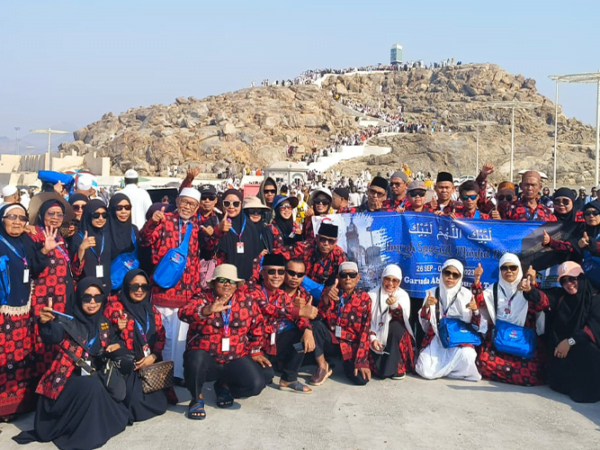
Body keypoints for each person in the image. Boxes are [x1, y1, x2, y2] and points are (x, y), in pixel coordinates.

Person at [14, 278, 130, 450]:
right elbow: (53, 335)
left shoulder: (103, 322)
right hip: (67, 378)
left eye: (97, 297)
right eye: (87, 297)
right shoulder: (67, 321)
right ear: (79, 297)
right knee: (91, 385)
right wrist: (44, 323)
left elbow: (111, 341)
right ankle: (86, 435)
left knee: (109, 379)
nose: (92, 302)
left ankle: (100, 426)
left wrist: (117, 341)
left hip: (94, 372)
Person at [178, 264, 271, 420]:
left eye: (231, 281)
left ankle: (224, 386)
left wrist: (255, 351)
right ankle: (197, 398)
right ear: (214, 283)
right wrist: (207, 310)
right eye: (222, 280)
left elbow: (257, 326)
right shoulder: (202, 297)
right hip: (207, 357)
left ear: (237, 285)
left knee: (256, 383)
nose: (227, 284)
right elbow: (183, 313)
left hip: (234, 356)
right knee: (194, 360)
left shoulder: (247, 301)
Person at [139, 187, 201, 382]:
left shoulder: (196, 226)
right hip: (163, 290)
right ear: (178, 202)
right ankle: (159, 376)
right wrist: (151, 223)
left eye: (192, 204)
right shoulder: (164, 220)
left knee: (181, 338)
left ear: (197, 207)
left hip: (186, 293)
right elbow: (144, 240)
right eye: (184, 202)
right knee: (163, 336)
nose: (187, 207)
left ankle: (176, 374)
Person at [0, 203, 51, 419]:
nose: (17, 222)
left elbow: (34, 268)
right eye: (12, 217)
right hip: (3, 312)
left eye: (22, 218)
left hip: (22, 312)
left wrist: (44, 251)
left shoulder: (25, 242)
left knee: (18, 358)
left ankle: (15, 406)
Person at [471, 255, 549, 385]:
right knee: (482, 362)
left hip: (522, 340)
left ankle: (504, 375)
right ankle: (513, 377)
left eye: (513, 267)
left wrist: (532, 287)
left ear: (519, 269)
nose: (509, 271)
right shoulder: (494, 289)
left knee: (534, 372)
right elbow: (479, 302)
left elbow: (543, 304)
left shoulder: (527, 287)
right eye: (505, 268)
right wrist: (477, 280)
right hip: (500, 339)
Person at [104, 269, 170, 421]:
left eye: (144, 287)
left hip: (149, 364)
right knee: (134, 404)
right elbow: (103, 337)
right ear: (126, 287)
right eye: (135, 287)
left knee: (160, 403)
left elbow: (161, 336)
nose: (140, 291)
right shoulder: (114, 308)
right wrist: (115, 329)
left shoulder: (151, 310)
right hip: (127, 366)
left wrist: (153, 356)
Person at [27, 194, 78, 380]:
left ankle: (54, 382)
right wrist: (43, 251)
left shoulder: (60, 237)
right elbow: (32, 268)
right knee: (43, 340)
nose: (55, 217)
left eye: (59, 214)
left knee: (58, 339)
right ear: (42, 215)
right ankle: (41, 383)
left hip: (61, 298)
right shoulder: (33, 235)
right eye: (51, 213)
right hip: (43, 299)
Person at [256, 254, 317, 393]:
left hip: (275, 342)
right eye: (271, 272)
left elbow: (298, 317)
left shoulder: (284, 295)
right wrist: (299, 311)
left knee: (302, 334)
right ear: (262, 273)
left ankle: (289, 378)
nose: (276, 276)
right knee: (263, 378)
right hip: (255, 346)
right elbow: (268, 308)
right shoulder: (254, 291)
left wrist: (308, 329)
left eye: (280, 272)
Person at [415, 259, 482, 381]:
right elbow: (425, 324)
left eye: (455, 275)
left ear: (460, 277)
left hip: (458, 339)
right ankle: (450, 371)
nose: (450, 277)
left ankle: (448, 371)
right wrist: (426, 307)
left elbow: (475, 324)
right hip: (438, 337)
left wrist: (475, 310)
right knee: (423, 368)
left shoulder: (466, 294)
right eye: (447, 273)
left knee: (468, 357)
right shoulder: (432, 292)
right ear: (442, 273)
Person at [543, 262, 600, 403]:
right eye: (564, 281)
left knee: (588, 348)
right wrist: (529, 290)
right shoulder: (562, 297)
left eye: (572, 279)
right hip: (565, 358)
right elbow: (543, 299)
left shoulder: (595, 299)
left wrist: (570, 342)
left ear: (581, 278)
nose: (569, 284)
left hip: (586, 354)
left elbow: (593, 329)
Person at [310, 262, 372, 386]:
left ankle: (343, 362)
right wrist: (326, 299)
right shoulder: (331, 292)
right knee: (316, 325)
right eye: (344, 275)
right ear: (338, 277)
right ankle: (323, 366)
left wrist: (361, 360)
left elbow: (366, 330)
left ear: (358, 277)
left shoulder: (364, 298)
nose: (348, 278)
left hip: (350, 345)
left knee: (361, 379)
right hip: (332, 340)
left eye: (352, 275)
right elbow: (319, 317)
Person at [368, 264, 414, 380]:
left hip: (393, 338)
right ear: (382, 278)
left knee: (395, 327)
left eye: (395, 280)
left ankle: (396, 366)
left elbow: (404, 318)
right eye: (387, 279)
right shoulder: (372, 295)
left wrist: (394, 305)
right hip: (373, 333)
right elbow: (366, 320)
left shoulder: (402, 295)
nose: (390, 283)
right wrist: (372, 338)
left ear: (399, 282)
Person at [216, 189, 268, 281]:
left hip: (247, 280)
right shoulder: (216, 222)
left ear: (241, 205)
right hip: (223, 278)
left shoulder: (250, 226)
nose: (231, 207)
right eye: (227, 203)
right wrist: (218, 230)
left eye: (236, 204)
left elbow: (256, 255)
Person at [277, 223, 346, 288]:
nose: (326, 243)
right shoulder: (304, 247)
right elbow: (277, 254)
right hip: (299, 284)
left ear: (336, 242)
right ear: (317, 238)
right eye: (322, 239)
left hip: (323, 289)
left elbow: (345, 274)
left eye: (331, 241)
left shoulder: (338, 254)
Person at [69, 199, 113, 291]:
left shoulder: (107, 235)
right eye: (96, 215)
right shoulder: (77, 238)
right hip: (86, 288)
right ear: (88, 215)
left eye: (104, 215)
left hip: (105, 287)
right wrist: (81, 249)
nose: (101, 218)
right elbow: (74, 272)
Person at [107, 193, 139, 290]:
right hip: (111, 284)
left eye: (127, 208)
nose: (124, 211)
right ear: (112, 210)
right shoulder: (105, 230)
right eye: (119, 208)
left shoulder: (133, 230)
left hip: (131, 285)